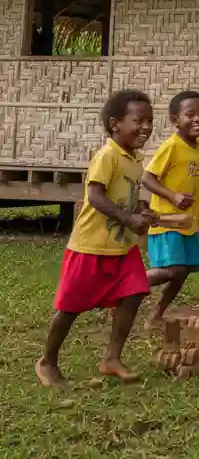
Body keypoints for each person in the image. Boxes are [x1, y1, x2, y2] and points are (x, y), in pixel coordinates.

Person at [36, 90, 155, 387]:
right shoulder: (107, 156)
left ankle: (112, 357)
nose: (146, 127)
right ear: (116, 124)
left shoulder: (135, 159)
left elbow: (126, 196)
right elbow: (95, 196)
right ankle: (47, 361)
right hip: (91, 245)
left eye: (150, 121)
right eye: (138, 120)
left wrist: (143, 211)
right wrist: (128, 218)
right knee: (71, 307)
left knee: (135, 292)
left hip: (122, 247)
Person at [143, 90, 199, 326]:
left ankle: (156, 314)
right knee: (173, 270)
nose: (198, 119)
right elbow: (148, 178)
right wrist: (172, 195)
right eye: (190, 114)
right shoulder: (171, 146)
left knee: (185, 270)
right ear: (176, 120)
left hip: (187, 221)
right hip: (166, 221)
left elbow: (186, 173)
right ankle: (124, 288)